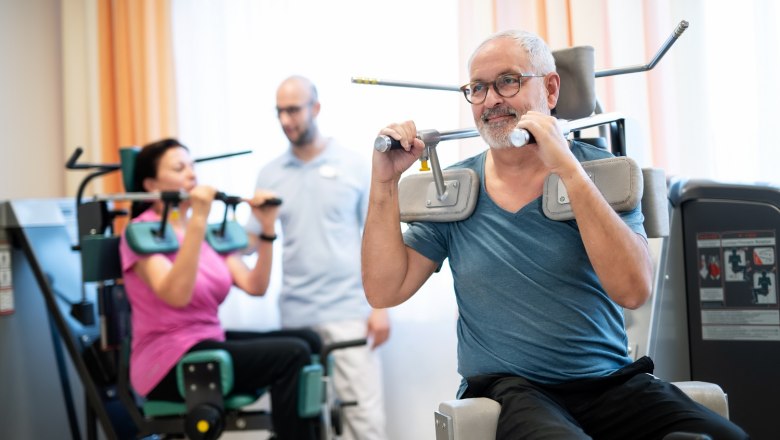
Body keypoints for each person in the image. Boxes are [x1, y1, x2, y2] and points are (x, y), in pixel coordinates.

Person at [361, 30, 749, 439]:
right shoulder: (455, 190)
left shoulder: (606, 174)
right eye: (477, 88)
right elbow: (384, 291)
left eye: (507, 81)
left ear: (549, 88)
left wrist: (568, 168)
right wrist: (383, 183)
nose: (491, 99)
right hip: (512, 390)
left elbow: (634, 291)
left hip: (611, 382)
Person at [119, 138, 320, 440]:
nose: (191, 174)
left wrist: (266, 229)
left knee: (309, 341)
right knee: (292, 354)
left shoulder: (205, 233)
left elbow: (255, 286)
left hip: (207, 341)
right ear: (150, 184)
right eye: (179, 167)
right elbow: (176, 294)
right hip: (168, 361)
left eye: (192, 166)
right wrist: (197, 218)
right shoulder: (142, 234)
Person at [245, 75, 389, 440]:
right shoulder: (270, 174)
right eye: (279, 112)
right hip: (296, 317)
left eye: (293, 109)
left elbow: (377, 238)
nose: (286, 120)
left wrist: (380, 307)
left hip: (349, 312)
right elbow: (249, 243)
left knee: (364, 421)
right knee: (301, 424)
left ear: (316, 108)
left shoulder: (354, 164)